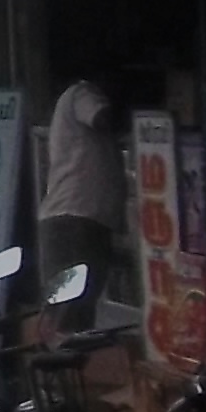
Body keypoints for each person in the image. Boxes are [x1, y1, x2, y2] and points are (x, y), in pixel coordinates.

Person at [39, 79, 128, 306]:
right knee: (71, 311)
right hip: (75, 219)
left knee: (77, 309)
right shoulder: (81, 93)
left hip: (81, 219)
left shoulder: (68, 109)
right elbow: (101, 117)